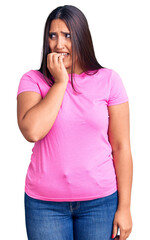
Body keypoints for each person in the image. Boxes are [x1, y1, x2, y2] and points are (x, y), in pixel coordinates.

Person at [17, 5, 133, 240]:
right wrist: (60, 83)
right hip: (44, 206)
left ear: (81, 37)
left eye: (67, 35)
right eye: (53, 35)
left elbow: (121, 147)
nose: (59, 44)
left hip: (100, 203)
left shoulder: (109, 80)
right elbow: (32, 131)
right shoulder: (32, 81)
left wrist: (125, 207)